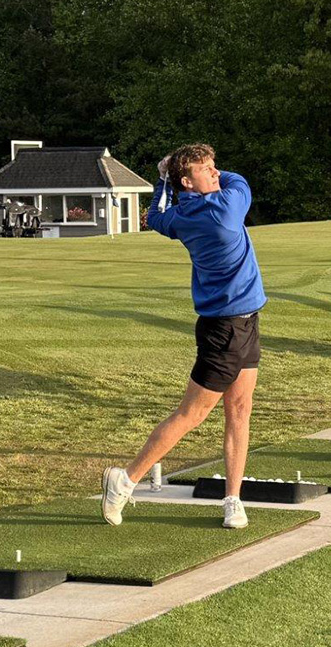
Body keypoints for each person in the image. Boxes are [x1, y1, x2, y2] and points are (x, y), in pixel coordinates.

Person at [101, 143, 266, 530]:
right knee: (192, 414)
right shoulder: (226, 207)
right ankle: (125, 480)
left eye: (214, 165)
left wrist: (164, 179)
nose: (215, 171)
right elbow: (239, 181)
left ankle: (233, 499)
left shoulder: (179, 216)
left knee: (240, 410)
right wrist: (180, 176)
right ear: (188, 182)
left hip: (243, 323)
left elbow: (155, 218)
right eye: (206, 169)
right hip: (224, 330)